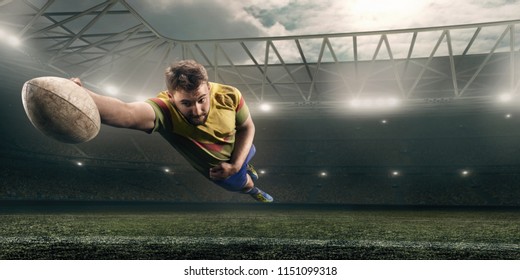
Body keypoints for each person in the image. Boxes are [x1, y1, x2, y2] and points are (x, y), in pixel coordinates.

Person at [71, 60, 273, 202]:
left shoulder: (229, 95)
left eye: (201, 100)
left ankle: (246, 167)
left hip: (240, 153)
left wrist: (237, 164)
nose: (197, 110)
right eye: (186, 103)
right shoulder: (165, 110)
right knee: (244, 185)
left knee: (247, 159)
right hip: (221, 169)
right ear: (171, 96)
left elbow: (247, 127)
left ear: (209, 89)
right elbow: (126, 113)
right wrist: (82, 95)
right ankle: (253, 190)